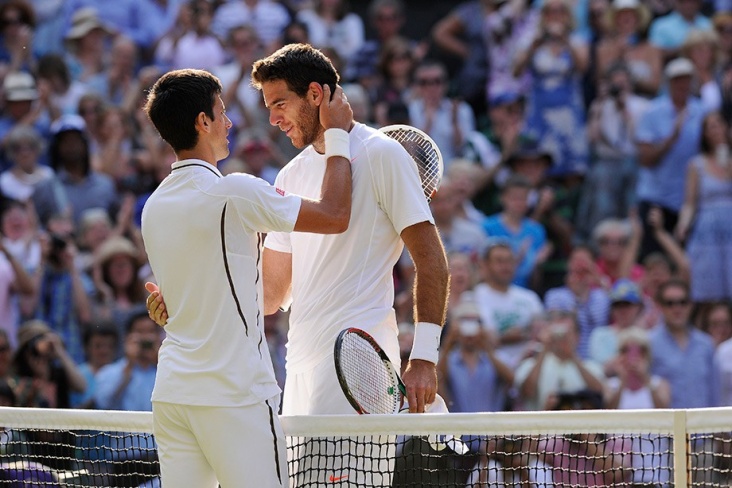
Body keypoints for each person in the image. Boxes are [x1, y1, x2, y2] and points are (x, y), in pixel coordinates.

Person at [148, 43, 449, 485]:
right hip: (300, 372)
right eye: (268, 107)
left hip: (359, 371)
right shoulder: (288, 175)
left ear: (315, 94)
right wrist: (187, 305)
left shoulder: (384, 154)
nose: (272, 118)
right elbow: (269, 295)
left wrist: (423, 357)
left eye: (279, 104)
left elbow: (432, 261)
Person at [141, 66, 353, 488]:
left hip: (172, 396)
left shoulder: (153, 207)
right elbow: (335, 215)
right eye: (221, 112)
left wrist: (170, 308)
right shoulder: (234, 190)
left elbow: (188, 294)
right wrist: (339, 136)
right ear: (203, 122)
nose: (230, 122)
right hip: (234, 396)